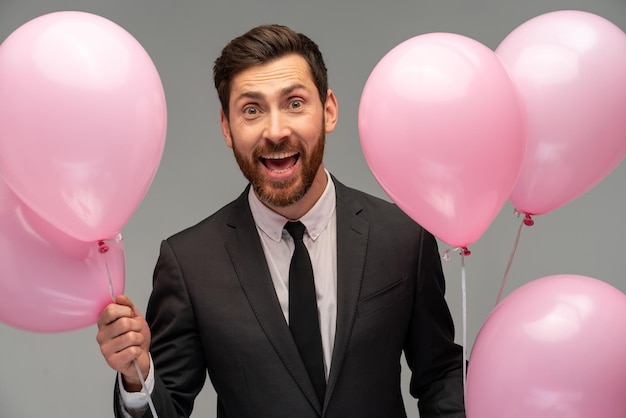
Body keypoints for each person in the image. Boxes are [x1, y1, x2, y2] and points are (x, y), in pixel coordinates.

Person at [96, 24, 466, 418]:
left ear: (328, 110)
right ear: (226, 127)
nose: (275, 131)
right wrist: (138, 376)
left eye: (294, 103)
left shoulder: (404, 236)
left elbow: (440, 374)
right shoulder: (188, 263)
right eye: (251, 110)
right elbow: (166, 406)